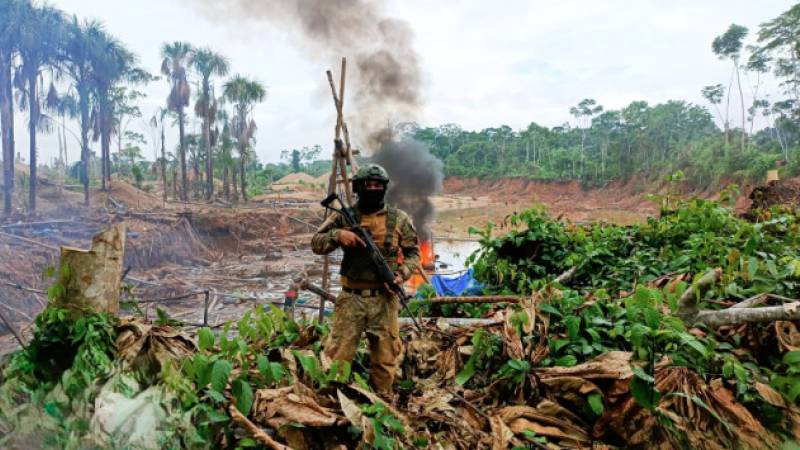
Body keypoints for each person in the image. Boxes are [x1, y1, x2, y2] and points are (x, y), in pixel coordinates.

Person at [311, 163, 420, 396]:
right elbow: (316, 243)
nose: (373, 189)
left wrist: (402, 275)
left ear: (385, 188)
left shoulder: (399, 219)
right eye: (368, 185)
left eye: (378, 185)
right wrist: (339, 235)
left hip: (385, 300)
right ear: (359, 187)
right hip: (352, 300)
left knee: (385, 360)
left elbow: (413, 254)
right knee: (337, 359)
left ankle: (380, 405)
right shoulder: (344, 216)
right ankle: (333, 403)